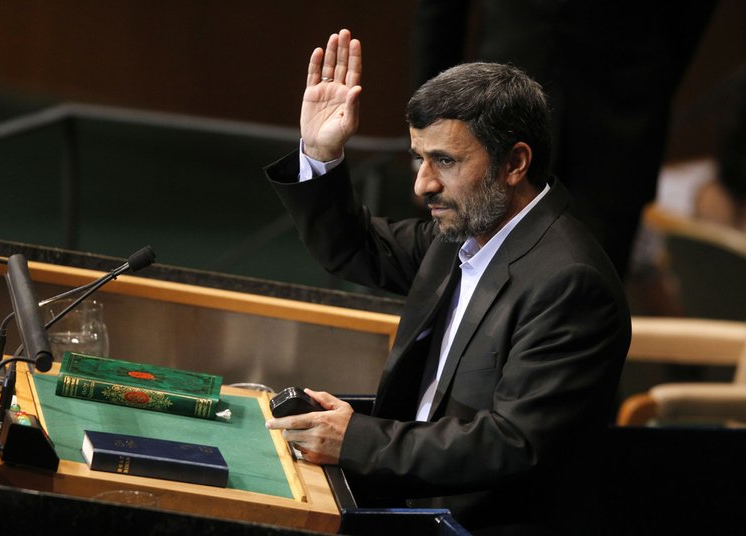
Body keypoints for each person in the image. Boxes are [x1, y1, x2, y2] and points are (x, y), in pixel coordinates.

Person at [264, 29, 631, 535]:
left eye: (445, 161)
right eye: (421, 158)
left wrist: (357, 440)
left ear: (515, 163)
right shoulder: (463, 235)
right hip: (412, 498)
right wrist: (320, 153)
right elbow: (354, 248)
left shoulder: (570, 282)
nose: (423, 184)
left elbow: (511, 441)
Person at [410, 0, 719, 279]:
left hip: (617, 125)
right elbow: (440, 10)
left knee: (590, 294)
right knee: (467, 289)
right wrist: (433, 128)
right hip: (494, 117)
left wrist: (648, 87)